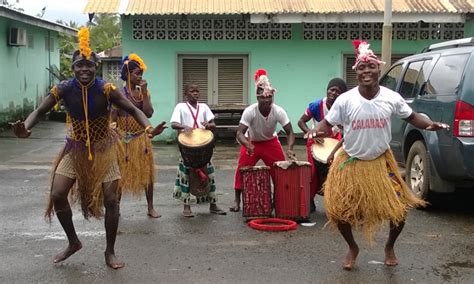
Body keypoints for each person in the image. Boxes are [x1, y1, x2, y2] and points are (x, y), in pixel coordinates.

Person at [10, 27, 166, 269]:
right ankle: (73, 242)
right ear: (73, 68)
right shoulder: (63, 89)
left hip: (104, 148)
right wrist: (26, 128)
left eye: (89, 65)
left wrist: (148, 129)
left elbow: (136, 110)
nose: (84, 69)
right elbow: (40, 111)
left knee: (111, 199)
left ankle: (110, 251)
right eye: (79, 65)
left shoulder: (107, 89)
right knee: (57, 194)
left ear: (96, 67)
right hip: (75, 148)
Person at [307, 40, 449, 270]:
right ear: (356, 72)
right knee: (337, 212)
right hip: (351, 163)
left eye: (370, 67)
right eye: (362, 68)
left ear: (378, 69)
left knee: (399, 212)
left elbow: (413, 117)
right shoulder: (345, 100)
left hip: (382, 163)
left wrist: (431, 124)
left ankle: (389, 247)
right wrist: (314, 131)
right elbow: (326, 123)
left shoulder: (391, 97)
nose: (366, 71)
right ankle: (353, 248)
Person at [229, 68, 296, 212]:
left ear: (272, 96)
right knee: (242, 169)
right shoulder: (250, 111)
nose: (266, 100)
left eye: (269, 97)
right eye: (263, 97)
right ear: (257, 97)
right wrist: (247, 144)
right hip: (251, 143)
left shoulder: (278, 111)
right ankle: (237, 200)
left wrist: (289, 148)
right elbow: (240, 133)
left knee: (279, 172)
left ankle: (278, 199)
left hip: (270, 142)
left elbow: (290, 132)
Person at [112, 53, 160, 218]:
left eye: (141, 74)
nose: (140, 76)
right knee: (119, 174)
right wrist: (116, 135)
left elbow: (148, 113)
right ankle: (116, 207)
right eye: (136, 73)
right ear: (127, 74)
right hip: (122, 139)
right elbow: (112, 118)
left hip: (141, 138)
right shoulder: (117, 94)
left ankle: (150, 207)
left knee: (147, 172)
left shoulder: (142, 93)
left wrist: (145, 92)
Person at [170, 83, 227, 217]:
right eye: (192, 91)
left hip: (203, 148)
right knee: (186, 177)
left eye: (197, 91)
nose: (195, 93)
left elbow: (213, 124)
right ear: (186, 93)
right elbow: (173, 124)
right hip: (187, 148)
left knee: (210, 177)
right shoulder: (180, 107)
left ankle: (213, 205)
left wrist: (209, 125)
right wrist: (183, 126)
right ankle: (186, 206)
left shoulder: (204, 107)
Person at [298, 78, 347, 212]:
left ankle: (335, 201)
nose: (333, 93)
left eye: (338, 91)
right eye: (332, 89)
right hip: (316, 141)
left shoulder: (344, 108)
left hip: (334, 142)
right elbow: (301, 122)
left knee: (336, 171)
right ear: (327, 90)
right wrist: (311, 134)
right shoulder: (316, 105)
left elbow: (347, 130)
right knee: (312, 172)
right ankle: (309, 199)